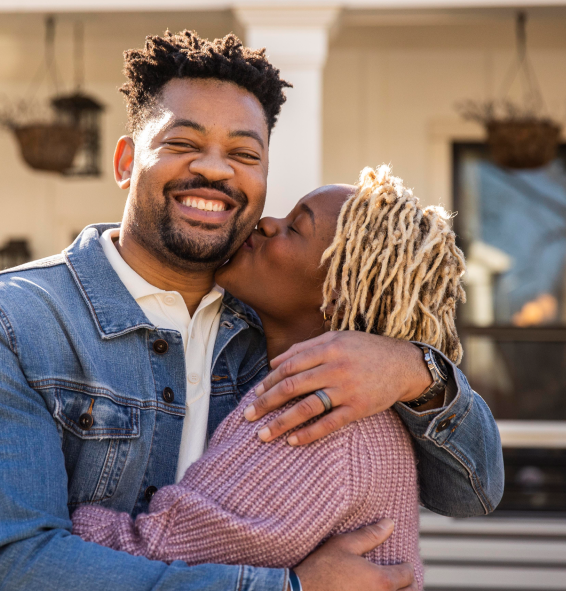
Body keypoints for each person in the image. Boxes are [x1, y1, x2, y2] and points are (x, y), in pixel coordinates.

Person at [0, 31, 503, 591]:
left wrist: (416, 371)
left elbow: (472, 492)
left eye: (244, 153)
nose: (216, 169)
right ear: (127, 160)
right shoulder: (6, 324)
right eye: (182, 143)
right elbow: (12, 568)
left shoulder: (304, 356)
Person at [69, 167, 466, 591]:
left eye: (295, 227)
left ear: (334, 293)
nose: (267, 223)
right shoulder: (337, 400)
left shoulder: (312, 421)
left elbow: (152, 551)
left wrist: (54, 516)